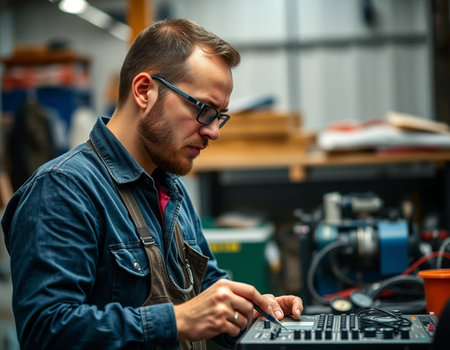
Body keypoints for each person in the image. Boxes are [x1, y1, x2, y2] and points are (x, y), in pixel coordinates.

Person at [2, 18, 303, 350]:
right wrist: (177, 320)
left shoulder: (170, 187)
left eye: (220, 116)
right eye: (203, 109)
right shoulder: (63, 189)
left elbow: (204, 289)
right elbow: (45, 331)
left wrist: (250, 313)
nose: (213, 131)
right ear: (144, 91)